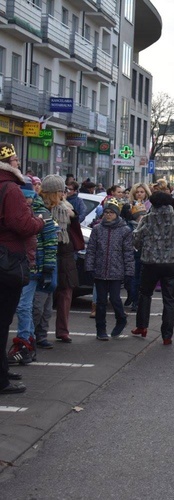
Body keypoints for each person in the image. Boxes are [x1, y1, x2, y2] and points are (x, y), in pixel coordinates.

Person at [0, 144, 44, 394]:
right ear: (8, 163)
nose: (19, 163)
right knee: (3, 321)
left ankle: (3, 369)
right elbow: (22, 225)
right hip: (7, 261)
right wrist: (39, 221)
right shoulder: (11, 189)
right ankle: (1, 380)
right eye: (16, 160)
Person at [8, 177, 57, 366]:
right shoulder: (20, 213)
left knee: (23, 306)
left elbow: (51, 243)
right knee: (23, 306)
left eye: (28, 197)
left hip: (35, 269)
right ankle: (28, 342)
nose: (26, 200)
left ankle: (25, 342)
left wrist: (48, 268)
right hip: (22, 267)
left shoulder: (42, 214)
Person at [131, 191, 174, 345]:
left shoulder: (147, 219)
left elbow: (136, 239)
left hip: (151, 262)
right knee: (169, 299)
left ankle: (142, 326)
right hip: (172, 263)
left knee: (145, 294)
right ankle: (167, 335)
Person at [33, 175, 80, 347]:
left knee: (66, 294)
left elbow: (75, 231)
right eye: (61, 190)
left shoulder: (67, 208)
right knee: (43, 299)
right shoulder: (38, 207)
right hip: (46, 254)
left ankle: (62, 331)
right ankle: (38, 333)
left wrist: (73, 215)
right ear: (52, 192)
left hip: (65, 254)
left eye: (64, 190)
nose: (64, 193)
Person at [85, 199, 134, 340]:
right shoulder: (97, 229)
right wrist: (89, 267)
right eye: (106, 212)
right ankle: (101, 329)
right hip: (100, 270)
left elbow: (128, 253)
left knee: (115, 299)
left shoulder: (124, 230)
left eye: (111, 212)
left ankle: (121, 319)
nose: (108, 215)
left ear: (117, 214)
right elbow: (92, 249)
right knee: (100, 301)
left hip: (116, 271)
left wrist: (129, 272)